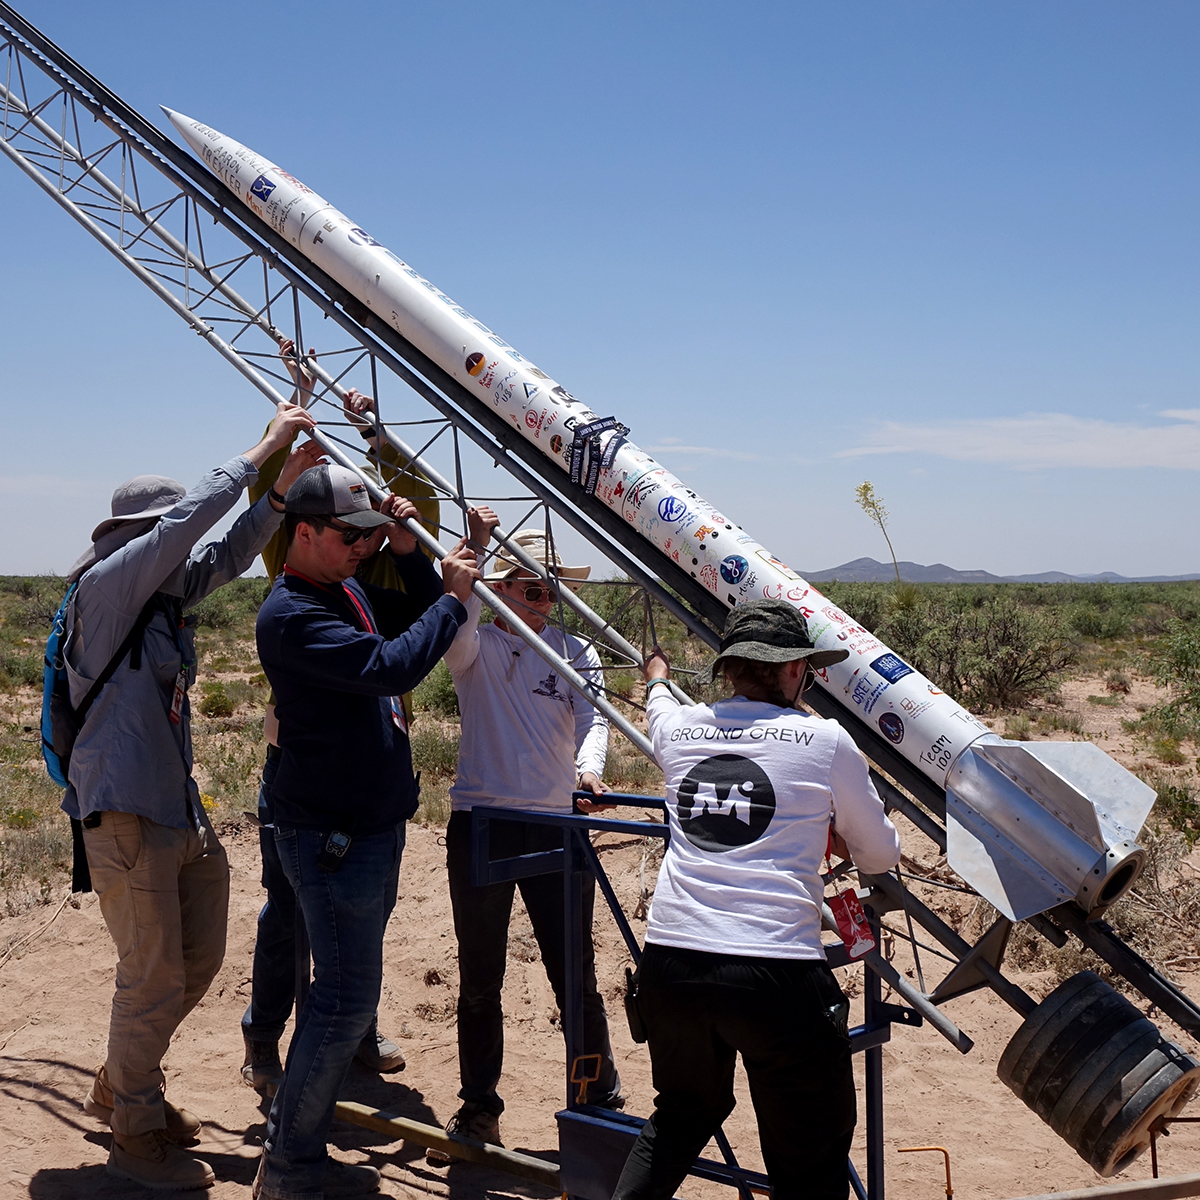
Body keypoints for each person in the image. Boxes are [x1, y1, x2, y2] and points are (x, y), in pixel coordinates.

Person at [65, 402, 319, 1189]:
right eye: (165, 535)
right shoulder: (106, 591)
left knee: (197, 960)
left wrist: (277, 497)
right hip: (125, 815)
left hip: (176, 811)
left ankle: (121, 1083)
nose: (179, 551)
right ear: (137, 539)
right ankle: (135, 1131)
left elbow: (230, 554)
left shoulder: (163, 604)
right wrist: (264, 451)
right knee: (152, 977)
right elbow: (190, 525)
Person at [612, 598, 902, 1200]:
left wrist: (659, 676)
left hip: (671, 963)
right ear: (795, 670)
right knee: (808, 1160)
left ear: (732, 670)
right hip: (775, 974)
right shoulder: (825, 741)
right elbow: (879, 857)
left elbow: (660, 702)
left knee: (681, 1115)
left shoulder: (679, 730)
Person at [253, 462, 479, 1199]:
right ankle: (290, 1166)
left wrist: (416, 561)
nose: (363, 546)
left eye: (369, 536)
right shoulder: (292, 614)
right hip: (331, 834)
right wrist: (452, 600)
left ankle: (298, 1131)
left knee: (346, 992)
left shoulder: (342, 588)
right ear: (305, 532)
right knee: (343, 998)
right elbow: (394, 668)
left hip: (367, 825)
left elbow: (415, 614)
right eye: (352, 536)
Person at [240, 342, 440, 1093]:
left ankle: (351, 1027)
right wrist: (294, 406)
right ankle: (265, 1037)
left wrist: (378, 433)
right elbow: (273, 484)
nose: (356, 536)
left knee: (359, 915)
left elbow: (414, 497)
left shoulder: (371, 570)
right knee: (288, 909)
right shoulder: (296, 565)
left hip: (371, 758)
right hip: (302, 765)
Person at [429, 513, 621, 1160]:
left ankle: (598, 1101)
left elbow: (595, 715)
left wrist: (590, 767)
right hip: (483, 823)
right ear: (502, 588)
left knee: (577, 975)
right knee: (481, 977)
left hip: (557, 824)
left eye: (551, 591)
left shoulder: (574, 651)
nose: (545, 602)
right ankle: (479, 1108)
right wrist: (470, 561)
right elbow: (451, 627)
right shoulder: (476, 643)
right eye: (532, 589)